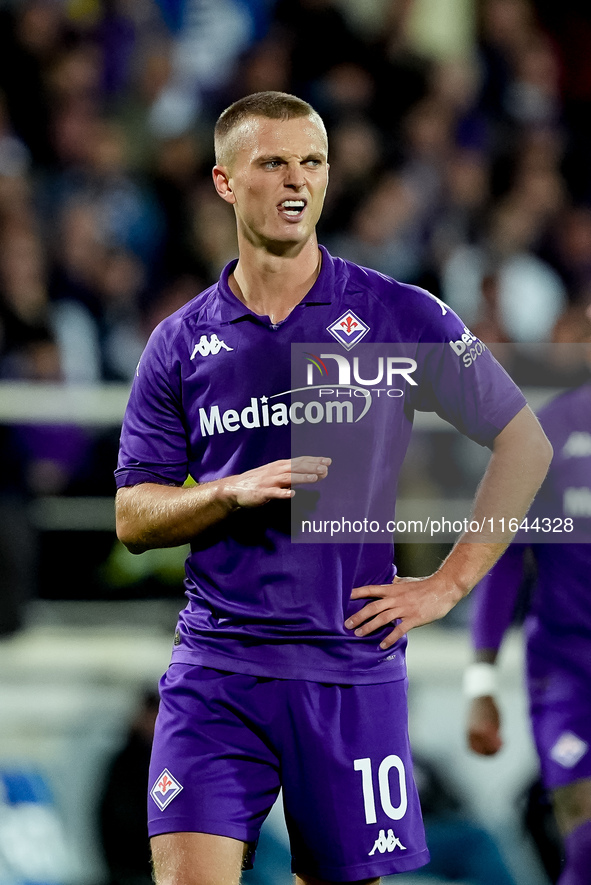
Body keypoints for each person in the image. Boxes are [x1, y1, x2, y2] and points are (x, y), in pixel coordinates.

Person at [114, 91, 552, 885]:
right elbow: (134, 515)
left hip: (349, 666)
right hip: (218, 669)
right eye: (272, 161)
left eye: (311, 162)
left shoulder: (394, 314)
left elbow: (524, 441)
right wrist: (225, 493)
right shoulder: (178, 342)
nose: (296, 180)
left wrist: (448, 583)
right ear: (223, 181)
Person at [466, 308, 591, 885]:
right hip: (568, 670)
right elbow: (503, 560)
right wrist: (482, 684)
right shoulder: (545, 436)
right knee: (587, 840)